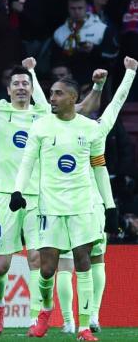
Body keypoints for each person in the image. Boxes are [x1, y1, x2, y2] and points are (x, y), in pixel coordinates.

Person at [0, 52, 102, 336]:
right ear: (8, 88)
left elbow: (82, 108)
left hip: (39, 197)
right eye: (16, 83)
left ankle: (35, 317)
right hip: (5, 195)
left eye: (25, 83)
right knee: (1, 266)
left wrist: (98, 86)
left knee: (37, 259)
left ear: (31, 87)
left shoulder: (44, 113)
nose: (21, 87)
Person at [9, 76, 119, 341]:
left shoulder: (90, 128)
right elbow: (27, 163)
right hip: (51, 207)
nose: (52, 98)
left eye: (58, 94)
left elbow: (99, 168)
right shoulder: (41, 127)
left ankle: (83, 327)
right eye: (51, 93)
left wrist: (110, 205)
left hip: (82, 206)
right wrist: (17, 191)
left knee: (83, 262)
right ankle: (46, 310)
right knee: (47, 269)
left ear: (72, 98)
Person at [55, 57, 137, 334]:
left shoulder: (49, 125)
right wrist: (129, 74)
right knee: (95, 259)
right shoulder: (95, 129)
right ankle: (92, 316)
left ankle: (68, 321)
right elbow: (115, 106)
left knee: (66, 262)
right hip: (90, 204)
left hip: (61, 202)